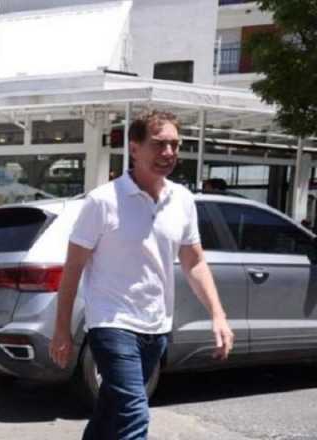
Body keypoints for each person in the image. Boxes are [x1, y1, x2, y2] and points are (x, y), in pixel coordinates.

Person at [49, 110, 234, 440]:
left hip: (156, 326)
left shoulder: (182, 200)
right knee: (134, 413)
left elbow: (194, 263)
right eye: (159, 144)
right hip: (112, 323)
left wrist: (218, 315)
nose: (169, 153)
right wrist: (62, 328)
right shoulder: (103, 201)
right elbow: (73, 267)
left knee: (112, 410)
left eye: (175, 145)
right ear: (134, 148)